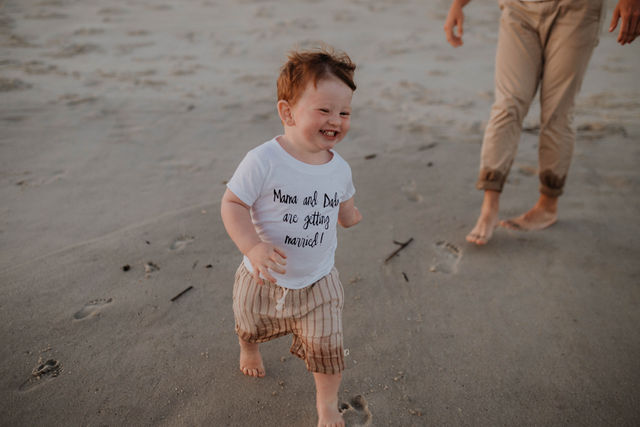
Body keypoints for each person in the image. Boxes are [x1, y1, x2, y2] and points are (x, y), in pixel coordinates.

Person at [220, 47, 362, 427]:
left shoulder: (339, 167)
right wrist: (252, 246)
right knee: (249, 321)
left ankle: (327, 404)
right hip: (262, 275)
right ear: (287, 112)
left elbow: (343, 203)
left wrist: (350, 216)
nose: (336, 120)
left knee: (328, 348)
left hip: (319, 280)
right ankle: (248, 346)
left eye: (344, 112)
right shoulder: (264, 160)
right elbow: (232, 203)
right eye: (325, 110)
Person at [444, 0, 640, 245]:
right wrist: (458, 4)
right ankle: (489, 206)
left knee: (557, 110)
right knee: (507, 104)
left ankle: (547, 206)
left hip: (577, 9)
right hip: (519, 7)